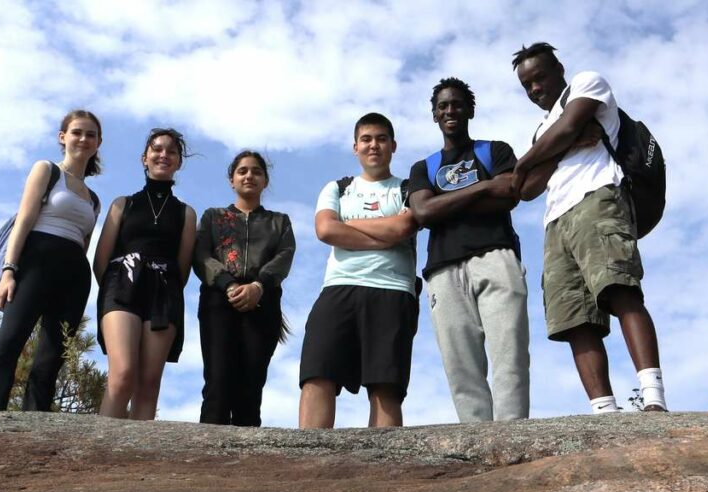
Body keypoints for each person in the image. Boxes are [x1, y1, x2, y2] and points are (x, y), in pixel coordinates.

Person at [510, 42, 667, 414]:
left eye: (539, 77)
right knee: (575, 319)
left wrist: (527, 160)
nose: (535, 88)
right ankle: (604, 411)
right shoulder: (541, 130)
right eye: (527, 85)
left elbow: (565, 130)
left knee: (620, 289)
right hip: (555, 221)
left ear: (558, 69)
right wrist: (560, 145)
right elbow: (529, 189)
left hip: (598, 197)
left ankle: (653, 397)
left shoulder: (586, 83)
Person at [407, 78, 530, 423]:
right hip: (443, 269)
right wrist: (483, 187)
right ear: (434, 114)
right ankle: (476, 438)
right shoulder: (424, 167)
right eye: (443, 106)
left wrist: (446, 201)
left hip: (496, 256)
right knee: (460, 365)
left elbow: (509, 195)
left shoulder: (495, 151)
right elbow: (423, 213)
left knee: (510, 354)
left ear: (470, 110)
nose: (450, 110)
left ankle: (512, 436)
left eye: (457, 104)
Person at [0, 110, 103, 411]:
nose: (83, 139)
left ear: (98, 143)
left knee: (53, 355)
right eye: (77, 132)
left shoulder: (94, 199)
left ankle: (36, 420)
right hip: (36, 261)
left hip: (74, 274)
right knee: (10, 340)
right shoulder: (46, 170)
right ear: (62, 137)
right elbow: (24, 220)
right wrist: (9, 270)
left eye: (90, 135)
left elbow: (84, 244)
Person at [299, 112, 419, 429]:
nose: (373, 145)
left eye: (381, 139)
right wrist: (383, 238)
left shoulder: (408, 187)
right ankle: (308, 455)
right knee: (317, 373)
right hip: (339, 286)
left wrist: (349, 225)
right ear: (355, 147)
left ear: (393, 146)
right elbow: (326, 229)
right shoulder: (338, 188)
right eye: (366, 139)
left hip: (393, 290)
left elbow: (403, 227)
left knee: (385, 385)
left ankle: (384, 460)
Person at [94, 128, 197, 420]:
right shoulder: (122, 204)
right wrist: (116, 291)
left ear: (178, 162)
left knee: (149, 382)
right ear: (145, 158)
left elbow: (183, 268)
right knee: (123, 374)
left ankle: (139, 449)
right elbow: (101, 261)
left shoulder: (186, 213)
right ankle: (101, 443)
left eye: (171, 151)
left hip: (164, 293)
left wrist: (162, 286)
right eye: (157, 149)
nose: (164, 155)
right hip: (121, 287)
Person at [193, 150, 296, 427]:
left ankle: (247, 453)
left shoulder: (279, 221)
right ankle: (207, 449)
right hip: (218, 302)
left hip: (263, 304)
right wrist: (228, 285)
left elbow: (284, 255)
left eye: (256, 171)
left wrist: (258, 286)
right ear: (232, 179)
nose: (249, 176)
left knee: (251, 386)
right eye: (242, 171)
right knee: (217, 382)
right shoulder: (213, 217)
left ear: (265, 181)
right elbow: (201, 255)